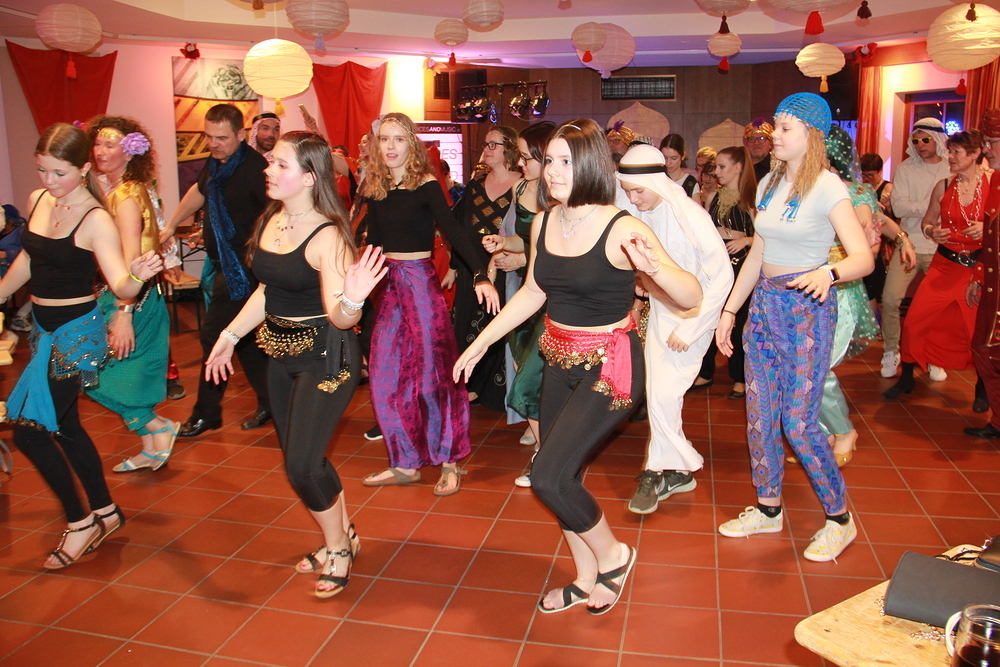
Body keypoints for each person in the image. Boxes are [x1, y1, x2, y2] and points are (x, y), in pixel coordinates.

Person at [455, 118, 703, 613]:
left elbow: (691, 295)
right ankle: (586, 575)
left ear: (590, 164)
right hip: (558, 357)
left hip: (611, 366)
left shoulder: (622, 226)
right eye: (549, 160)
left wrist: (655, 269)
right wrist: (483, 342)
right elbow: (533, 291)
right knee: (561, 474)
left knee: (547, 475)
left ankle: (614, 556)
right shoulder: (546, 222)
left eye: (566, 161)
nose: (552, 171)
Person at [205, 131, 385, 597]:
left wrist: (354, 298)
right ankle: (343, 534)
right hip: (280, 352)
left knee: (302, 466)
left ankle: (338, 548)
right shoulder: (273, 218)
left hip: (327, 356)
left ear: (308, 177)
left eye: (280, 164)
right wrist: (228, 337)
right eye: (271, 162)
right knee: (302, 460)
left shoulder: (328, 236)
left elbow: (342, 317)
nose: (268, 170)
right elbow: (268, 292)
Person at [715, 94, 873, 562]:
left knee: (799, 424)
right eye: (776, 126)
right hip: (765, 305)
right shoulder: (769, 181)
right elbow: (759, 254)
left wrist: (830, 273)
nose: (775, 135)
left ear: (812, 135)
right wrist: (730, 310)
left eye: (785, 128)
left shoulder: (828, 187)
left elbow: (863, 257)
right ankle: (768, 509)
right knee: (760, 416)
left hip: (806, 308)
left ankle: (840, 519)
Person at [0, 123, 163, 568]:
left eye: (60, 173)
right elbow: (30, 258)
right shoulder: (38, 200)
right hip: (43, 329)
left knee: (29, 434)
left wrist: (139, 275)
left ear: (84, 168)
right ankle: (106, 511)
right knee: (67, 425)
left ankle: (80, 521)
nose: (49, 182)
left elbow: (122, 286)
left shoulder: (96, 219)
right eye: (42, 170)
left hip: (77, 334)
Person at [355, 112, 499, 496]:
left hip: (419, 283)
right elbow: (373, 243)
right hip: (387, 286)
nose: (390, 146)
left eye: (399, 139)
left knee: (435, 376)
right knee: (385, 376)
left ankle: (449, 461)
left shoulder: (427, 184)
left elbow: (453, 231)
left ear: (412, 144)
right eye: (384, 139)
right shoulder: (375, 187)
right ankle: (404, 462)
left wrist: (480, 274)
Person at [615, 143, 732, 515]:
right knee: (658, 393)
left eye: (638, 191)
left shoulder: (691, 216)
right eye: (628, 191)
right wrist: (641, 285)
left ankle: (662, 469)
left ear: (656, 182)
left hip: (694, 316)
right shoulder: (640, 211)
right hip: (661, 313)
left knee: (663, 394)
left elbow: (722, 277)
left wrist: (695, 327)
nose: (633, 199)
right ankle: (671, 470)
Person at [161, 103, 272, 437]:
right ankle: (272, 402)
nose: (214, 143)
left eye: (221, 138)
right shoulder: (216, 165)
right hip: (223, 263)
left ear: (240, 134)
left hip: (243, 270)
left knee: (215, 335)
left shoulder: (255, 169)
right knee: (245, 339)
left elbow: (274, 213)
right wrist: (171, 226)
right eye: (209, 136)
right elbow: (200, 192)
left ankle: (206, 413)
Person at [83, 116, 178, 472]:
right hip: (125, 293)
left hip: (131, 297)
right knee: (121, 375)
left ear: (129, 152)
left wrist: (123, 312)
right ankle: (152, 444)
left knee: (94, 373)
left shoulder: (125, 196)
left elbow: (132, 259)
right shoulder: (119, 189)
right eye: (98, 143)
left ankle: (158, 427)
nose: (101, 151)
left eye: (110, 145)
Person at [818, 126, 906, 465]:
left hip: (839, 290)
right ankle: (824, 432)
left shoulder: (853, 192)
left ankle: (844, 431)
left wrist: (900, 240)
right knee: (807, 365)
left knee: (818, 365)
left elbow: (869, 235)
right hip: (811, 288)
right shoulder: (810, 189)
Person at [883, 130, 987, 400]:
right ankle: (907, 377)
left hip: (975, 270)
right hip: (944, 265)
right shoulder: (944, 185)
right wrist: (932, 232)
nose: (950, 156)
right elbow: (927, 223)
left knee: (975, 331)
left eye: (956, 152)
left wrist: (987, 227)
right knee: (914, 321)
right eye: (949, 151)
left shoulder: (993, 185)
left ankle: (982, 388)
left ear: (975, 154)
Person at [481, 120, 556, 482]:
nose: (521, 164)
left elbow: (557, 249)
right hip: (524, 292)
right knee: (522, 364)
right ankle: (549, 450)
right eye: (521, 156)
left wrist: (523, 256)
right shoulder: (521, 187)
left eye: (527, 157)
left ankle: (546, 458)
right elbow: (520, 237)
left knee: (531, 377)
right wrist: (502, 244)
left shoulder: (561, 194)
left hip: (552, 294)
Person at [452, 125, 521, 411]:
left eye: (494, 144)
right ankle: (467, 385)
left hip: (505, 268)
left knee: (496, 324)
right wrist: (454, 266)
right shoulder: (476, 184)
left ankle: (490, 390)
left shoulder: (522, 185)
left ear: (510, 149)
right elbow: (458, 227)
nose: (487, 149)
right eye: (485, 144)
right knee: (465, 322)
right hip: (471, 267)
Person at [882, 118, 951, 379]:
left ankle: (934, 356)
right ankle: (891, 350)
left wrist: (924, 206)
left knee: (938, 306)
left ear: (938, 140)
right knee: (890, 299)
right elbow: (899, 209)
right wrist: (936, 205)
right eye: (916, 140)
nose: (920, 145)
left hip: (941, 247)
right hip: (907, 244)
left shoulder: (950, 167)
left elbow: (953, 208)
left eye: (925, 139)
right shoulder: (905, 168)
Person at [692, 146, 757, 398]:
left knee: (738, 321)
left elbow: (764, 235)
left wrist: (746, 240)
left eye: (721, 167)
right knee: (710, 316)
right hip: (717, 263)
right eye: (716, 167)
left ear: (737, 168)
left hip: (743, 265)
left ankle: (739, 377)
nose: (716, 172)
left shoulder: (751, 197)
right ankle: (705, 371)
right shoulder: (712, 197)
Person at [965, 109, 1000, 438]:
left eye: (992, 142)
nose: (987, 150)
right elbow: (990, 236)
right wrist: (978, 274)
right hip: (993, 286)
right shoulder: (996, 181)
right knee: (984, 351)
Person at [659, 134, 700, 198]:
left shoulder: (689, 183)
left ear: (683, 156)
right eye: (665, 157)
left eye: (674, 158)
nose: (668, 163)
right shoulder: (656, 178)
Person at [743, 118, 774, 184]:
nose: (756, 143)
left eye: (762, 138)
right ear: (746, 143)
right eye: (752, 139)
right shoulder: (740, 167)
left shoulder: (777, 168)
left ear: (770, 143)